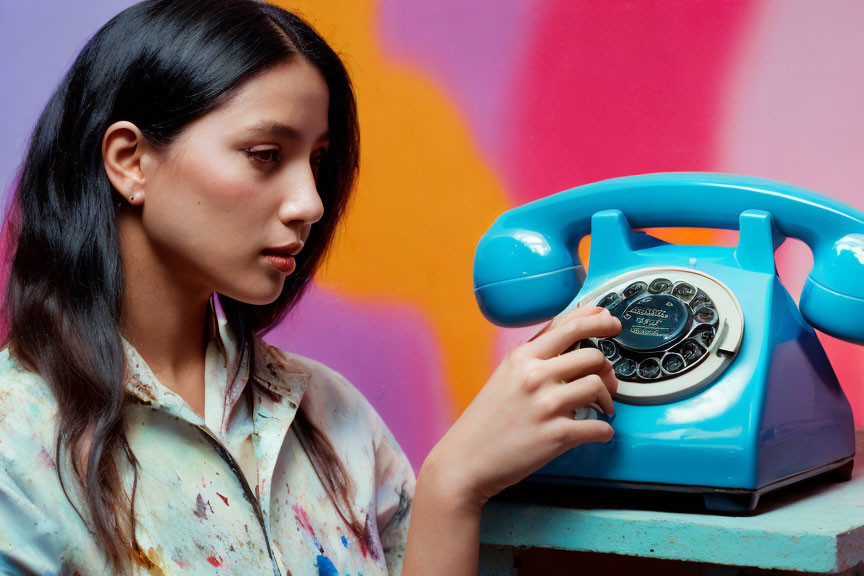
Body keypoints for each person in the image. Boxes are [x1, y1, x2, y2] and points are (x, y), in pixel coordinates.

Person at [0, 1, 621, 574]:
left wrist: (453, 487)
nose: (310, 204)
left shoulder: (332, 413)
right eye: (266, 154)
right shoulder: (15, 445)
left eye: (317, 163)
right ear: (131, 161)